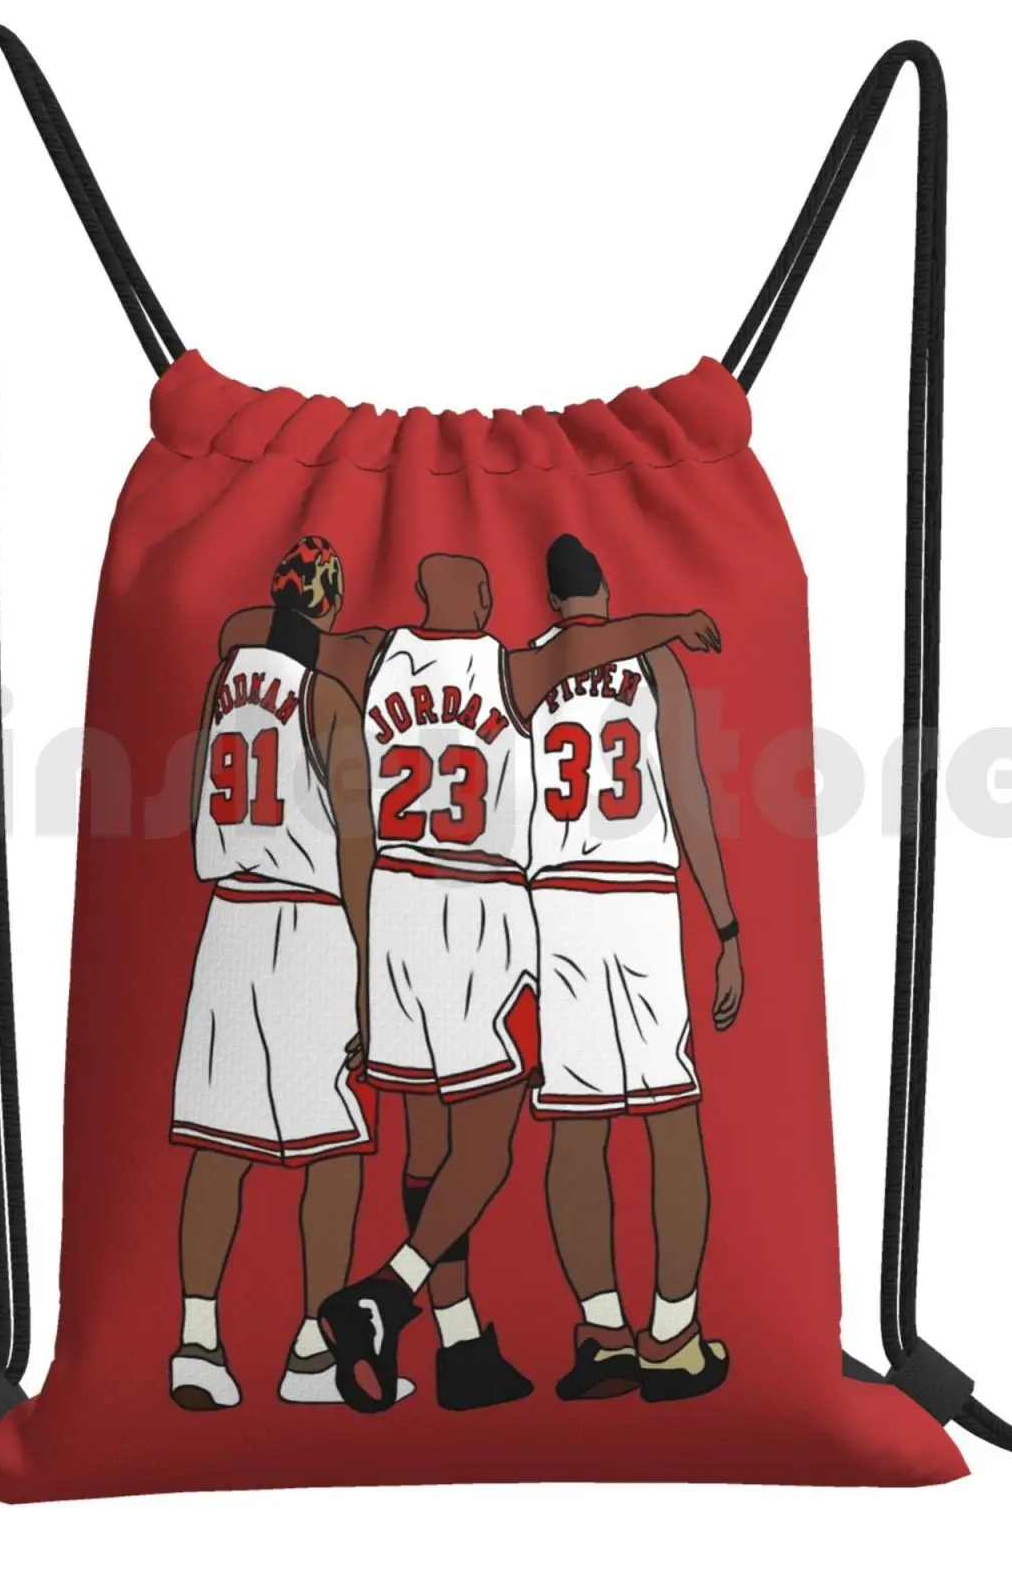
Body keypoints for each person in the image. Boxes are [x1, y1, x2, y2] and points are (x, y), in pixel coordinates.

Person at [307, 551, 721, 1413]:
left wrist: (294, 607)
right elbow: (676, 773)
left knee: (492, 1137)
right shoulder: (518, 667)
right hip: (528, 906)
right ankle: (667, 1337)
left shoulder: (385, 655)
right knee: (631, 1123)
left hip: (434, 902)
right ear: (488, 597)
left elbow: (276, 640)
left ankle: (507, 1341)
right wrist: (727, 924)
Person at [168, 536, 410, 1409]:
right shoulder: (328, 700)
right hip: (309, 925)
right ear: (331, 607)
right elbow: (357, 847)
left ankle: (197, 1342)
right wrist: (371, 972)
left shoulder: (224, 682)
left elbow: (194, 799)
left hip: (229, 917)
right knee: (335, 1149)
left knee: (218, 1147)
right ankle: (312, 1351)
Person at [525, 534, 744, 1403]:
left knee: (576, 1128)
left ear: (551, 604)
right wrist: (726, 925)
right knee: (669, 1117)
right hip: (640, 900)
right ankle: (674, 1337)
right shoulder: (651, 660)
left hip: (556, 903)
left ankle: (604, 1334)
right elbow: (686, 792)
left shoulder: (522, 670)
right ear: (607, 589)